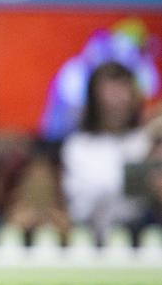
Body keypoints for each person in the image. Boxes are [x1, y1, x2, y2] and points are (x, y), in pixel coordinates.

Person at [61, 61, 151, 236]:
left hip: (145, 233)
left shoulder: (146, 139)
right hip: (91, 236)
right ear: (95, 97)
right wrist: (138, 174)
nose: (122, 99)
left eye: (126, 90)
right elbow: (81, 206)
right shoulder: (78, 146)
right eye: (113, 92)